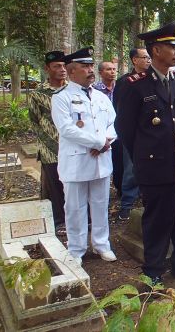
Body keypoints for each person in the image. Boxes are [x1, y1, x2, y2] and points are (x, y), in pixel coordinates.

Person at [116, 21, 175, 283]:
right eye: (170, 46)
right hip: (154, 166)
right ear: (155, 51)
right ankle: (153, 272)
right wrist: (143, 158)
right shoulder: (135, 84)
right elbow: (125, 129)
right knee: (156, 220)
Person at [51, 47, 117, 266]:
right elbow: (67, 129)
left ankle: (101, 244)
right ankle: (76, 249)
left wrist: (107, 140)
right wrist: (98, 142)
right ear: (71, 72)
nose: (91, 70)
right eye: (85, 67)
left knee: (100, 204)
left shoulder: (100, 97)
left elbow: (112, 122)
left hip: (101, 159)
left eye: (91, 66)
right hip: (77, 161)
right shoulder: (61, 98)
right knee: (75, 208)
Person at [29, 51, 67, 233]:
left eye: (64, 66)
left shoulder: (72, 89)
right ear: (47, 69)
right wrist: (48, 141)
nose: (62, 70)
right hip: (50, 148)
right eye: (56, 66)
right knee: (55, 186)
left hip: (73, 146)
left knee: (74, 184)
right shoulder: (38, 94)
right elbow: (35, 120)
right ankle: (59, 221)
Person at [113, 48, 150, 220]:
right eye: (145, 57)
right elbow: (120, 110)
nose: (148, 60)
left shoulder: (155, 79)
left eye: (149, 57)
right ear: (135, 60)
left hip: (151, 134)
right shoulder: (125, 82)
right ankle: (127, 204)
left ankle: (146, 199)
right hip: (133, 133)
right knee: (130, 170)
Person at [93, 61, 122, 200]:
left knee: (120, 162)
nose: (112, 72)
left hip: (119, 131)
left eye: (113, 69)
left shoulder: (121, 87)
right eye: (108, 69)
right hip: (102, 134)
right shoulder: (95, 91)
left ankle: (120, 189)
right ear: (100, 73)